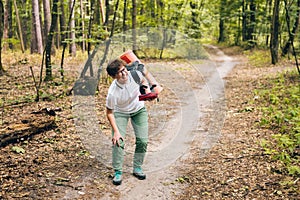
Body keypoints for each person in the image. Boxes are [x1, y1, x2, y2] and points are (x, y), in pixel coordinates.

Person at [105, 58, 151, 185]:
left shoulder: (134, 75)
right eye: (120, 72)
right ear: (114, 77)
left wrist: (146, 89)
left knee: (143, 140)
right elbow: (109, 113)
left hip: (138, 109)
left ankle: (137, 167)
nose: (124, 73)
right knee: (118, 141)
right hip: (121, 112)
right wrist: (115, 132)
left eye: (124, 70)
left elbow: (143, 80)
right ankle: (118, 171)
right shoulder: (113, 92)